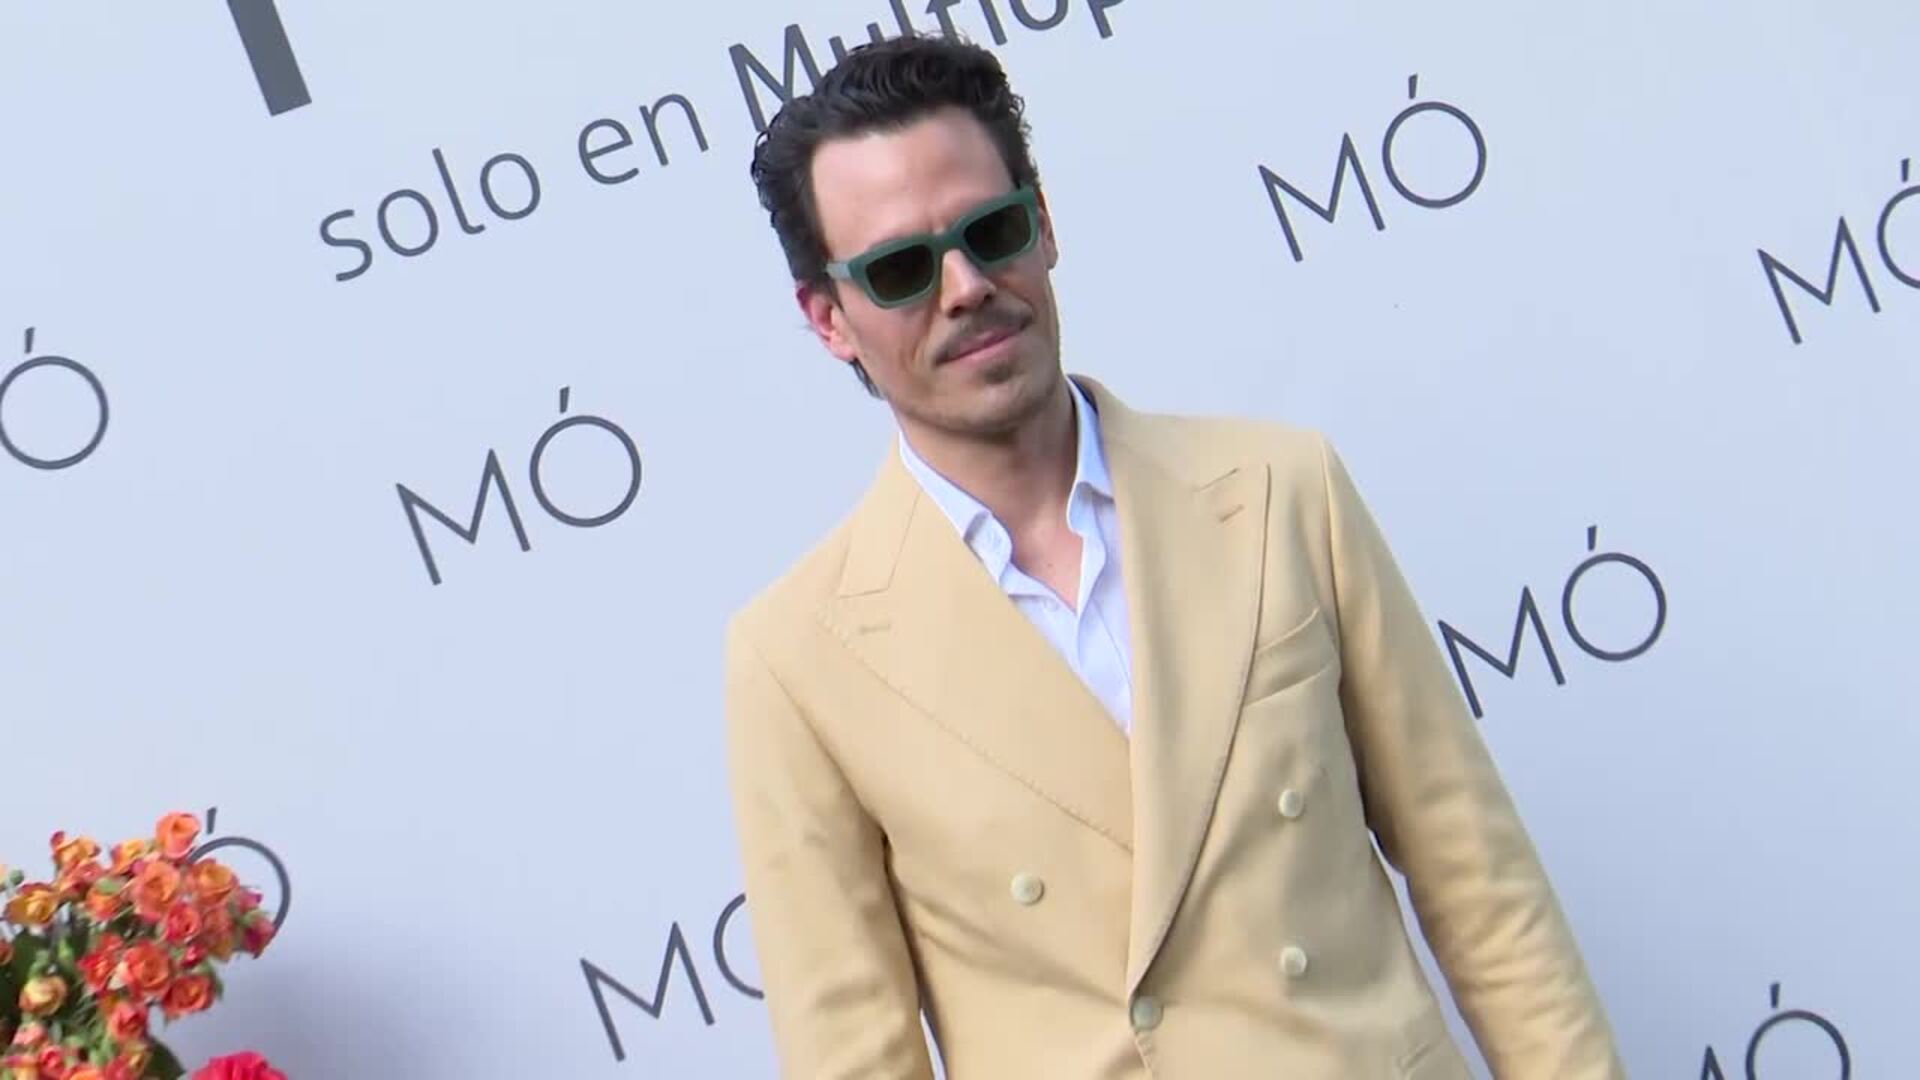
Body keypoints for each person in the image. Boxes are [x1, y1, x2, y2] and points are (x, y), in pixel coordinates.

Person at [721, 31, 1625, 1080]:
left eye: (992, 230)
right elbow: (852, 1058)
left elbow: (1483, 890)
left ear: (1044, 223)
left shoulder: (1281, 491)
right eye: (899, 269)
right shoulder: (799, 658)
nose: (964, 286)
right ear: (829, 319)